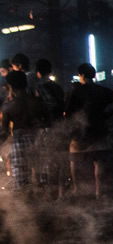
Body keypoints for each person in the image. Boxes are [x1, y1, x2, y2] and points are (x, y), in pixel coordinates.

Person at [63, 63, 113, 198]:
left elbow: (67, 113)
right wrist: (110, 113)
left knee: (74, 159)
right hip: (99, 129)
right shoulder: (102, 91)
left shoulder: (76, 92)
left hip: (81, 131)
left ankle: (76, 189)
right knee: (99, 160)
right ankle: (99, 191)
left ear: (82, 75)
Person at [1, 70, 49, 192]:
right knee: (41, 177)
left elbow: (4, 132)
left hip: (19, 143)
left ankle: (28, 207)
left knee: (22, 182)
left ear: (10, 86)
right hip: (39, 140)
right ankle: (43, 206)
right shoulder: (38, 102)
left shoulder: (8, 106)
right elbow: (50, 123)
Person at [34, 59, 67, 197]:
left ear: (38, 72)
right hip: (60, 125)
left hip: (46, 127)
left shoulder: (39, 87)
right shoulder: (57, 87)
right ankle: (61, 192)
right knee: (59, 160)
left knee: (46, 160)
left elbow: (48, 105)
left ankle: (50, 193)